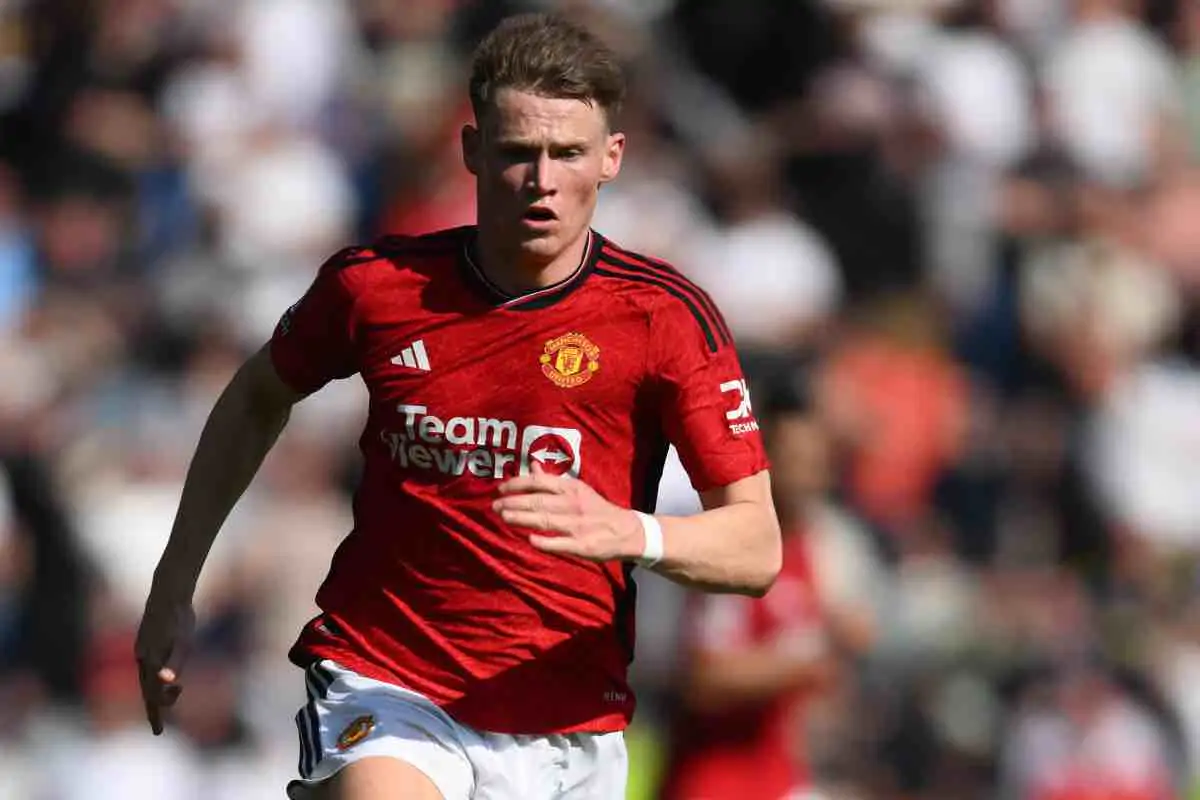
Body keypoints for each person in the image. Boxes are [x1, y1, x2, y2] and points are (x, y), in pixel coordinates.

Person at [135, 12, 782, 800]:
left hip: (568, 716)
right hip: (391, 681)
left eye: (568, 154)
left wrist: (630, 532)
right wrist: (175, 582)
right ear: (473, 150)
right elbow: (253, 400)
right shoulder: (376, 289)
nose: (541, 179)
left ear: (612, 157)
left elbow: (755, 547)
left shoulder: (664, 317)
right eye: (516, 151)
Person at [659, 371, 874, 800]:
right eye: (794, 461)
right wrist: (806, 660)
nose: (805, 477)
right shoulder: (731, 549)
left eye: (814, 464)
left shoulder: (822, 546)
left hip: (780, 775)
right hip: (715, 780)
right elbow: (704, 678)